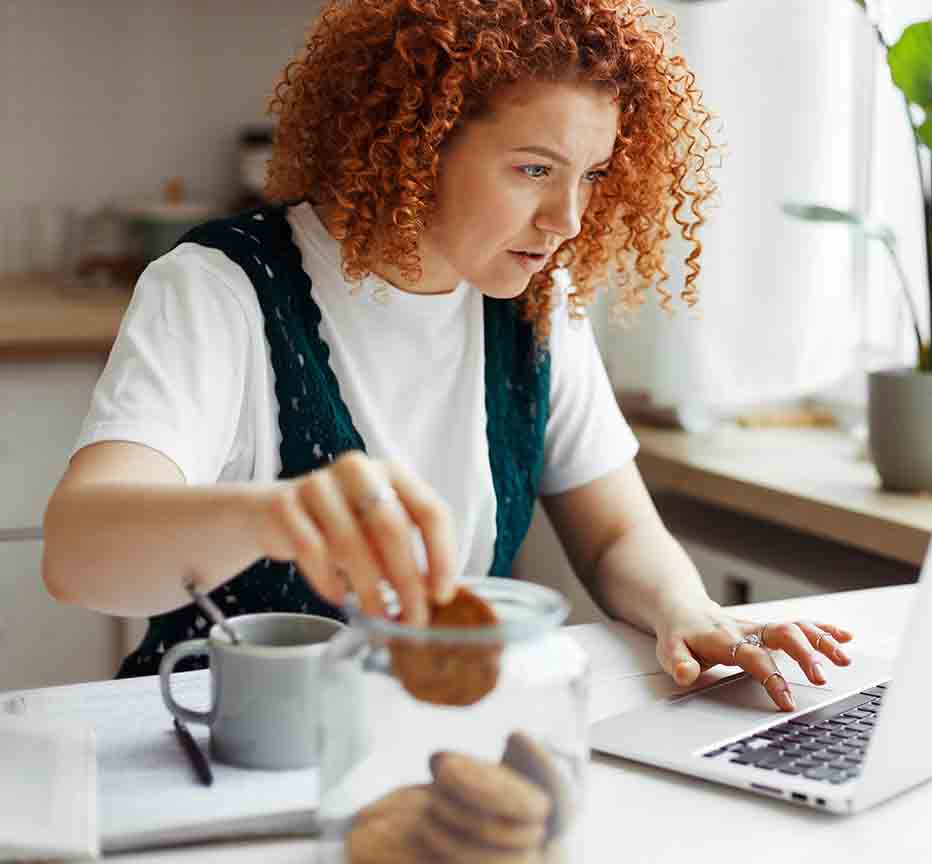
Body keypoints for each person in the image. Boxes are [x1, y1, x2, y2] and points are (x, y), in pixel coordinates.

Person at [42, 0, 852, 709]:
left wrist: (690, 608)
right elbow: (80, 557)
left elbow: (614, 538)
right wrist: (280, 514)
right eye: (534, 169)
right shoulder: (220, 290)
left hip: (417, 736)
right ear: (412, 140)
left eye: (594, 175)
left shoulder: (537, 306)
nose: (567, 218)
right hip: (218, 746)